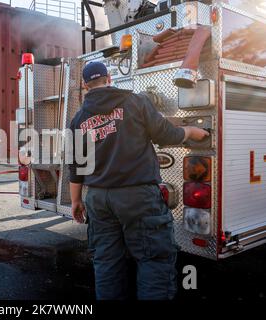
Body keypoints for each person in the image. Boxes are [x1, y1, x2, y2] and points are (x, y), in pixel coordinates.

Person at [68, 62, 209, 300]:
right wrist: (191, 132)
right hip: (138, 196)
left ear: (85, 85)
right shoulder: (135, 102)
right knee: (153, 259)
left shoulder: (79, 119)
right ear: (109, 78)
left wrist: (75, 201)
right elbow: (166, 134)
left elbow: (76, 166)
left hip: (98, 199)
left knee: (106, 260)